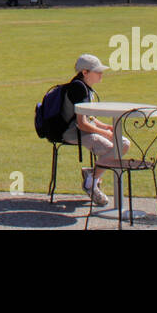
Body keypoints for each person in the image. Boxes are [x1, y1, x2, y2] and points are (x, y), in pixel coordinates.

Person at [59, 53, 130, 206]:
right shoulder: (79, 88)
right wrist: (105, 133)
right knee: (117, 148)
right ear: (85, 72)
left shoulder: (85, 87)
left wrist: (105, 127)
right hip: (73, 133)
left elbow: (89, 117)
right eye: (97, 71)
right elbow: (82, 123)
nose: (101, 74)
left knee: (123, 144)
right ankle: (91, 183)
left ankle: (92, 175)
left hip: (83, 131)